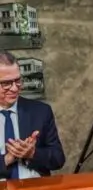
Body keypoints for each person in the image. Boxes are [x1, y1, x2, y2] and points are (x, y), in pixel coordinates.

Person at [0, 51, 65, 179]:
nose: (14, 88)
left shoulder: (41, 111)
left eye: (18, 80)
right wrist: (7, 159)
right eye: (6, 83)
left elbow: (58, 159)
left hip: (35, 189)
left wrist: (33, 153)